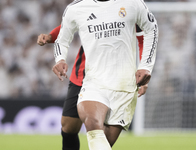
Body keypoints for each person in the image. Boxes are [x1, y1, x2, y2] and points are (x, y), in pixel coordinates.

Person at [51, 0, 158, 149]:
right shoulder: (76, 8)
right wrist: (60, 59)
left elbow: (151, 28)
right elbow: (62, 39)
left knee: (104, 143)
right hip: (94, 81)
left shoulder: (133, 3)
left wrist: (146, 66)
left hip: (124, 85)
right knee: (92, 122)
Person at [37, 22, 147, 150]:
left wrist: (144, 71)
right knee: (68, 127)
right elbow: (69, 25)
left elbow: (142, 39)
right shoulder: (88, 6)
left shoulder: (130, 8)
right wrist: (50, 37)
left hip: (116, 79)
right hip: (82, 75)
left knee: (104, 137)